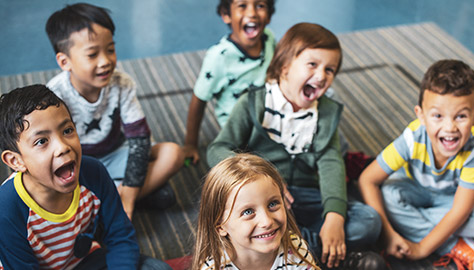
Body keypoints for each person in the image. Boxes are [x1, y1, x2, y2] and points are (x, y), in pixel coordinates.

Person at [207, 23, 385, 269]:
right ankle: (328, 257)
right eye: (312, 65)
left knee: (369, 221)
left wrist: (334, 217)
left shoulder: (325, 113)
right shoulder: (253, 103)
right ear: (284, 66)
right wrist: (261, 175)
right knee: (221, 223)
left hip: (307, 196)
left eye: (330, 69)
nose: (322, 76)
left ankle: (296, 251)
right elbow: (217, 149)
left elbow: (332, 163)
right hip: (262, 201)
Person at [0, 84, 171, 270]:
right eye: (42, 141)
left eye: (67, 131)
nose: (63, 146)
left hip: (85, 260)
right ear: (16, 161)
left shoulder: (93, 172)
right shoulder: (6, 209)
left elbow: (121, 236)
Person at [45, 3, 184, 219]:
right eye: (92, 54)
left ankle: (115, 199)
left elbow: (139, 140)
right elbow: (51, 150)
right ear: (65, 61)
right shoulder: (54, 95)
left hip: (117, 153)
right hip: (79, 165)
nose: (106, 61)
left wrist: (128, 196)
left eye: (110, 49)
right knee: (47, 186)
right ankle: (132, 193)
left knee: (174, 154)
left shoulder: (121, 83)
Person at [359, 59, 474, 269]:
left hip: (451, 201)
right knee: (389, 195)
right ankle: (454, 243)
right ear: (421, 115)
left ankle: (432, 235)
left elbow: (460, 210)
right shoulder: (412, 138)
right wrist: (388, 235)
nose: (449, 127)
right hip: (413, 189)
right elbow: (367, 180)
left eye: (461, 116)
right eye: (438, 116)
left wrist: (422, 248)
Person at [183, 0, 276, 164]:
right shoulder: (219, 57)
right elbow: (199, 99)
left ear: (269, 15)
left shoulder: (269, 38)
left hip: (268, 115)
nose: (252, 13)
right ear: (226, 15)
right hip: (239, 131)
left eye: (260, 5)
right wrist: (190, 144)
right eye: (242, 6)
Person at [192, 153, 319, 270]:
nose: (267, 221)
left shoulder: (295, 249)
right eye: (248, 212)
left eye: (272, 204)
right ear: (220, 226)